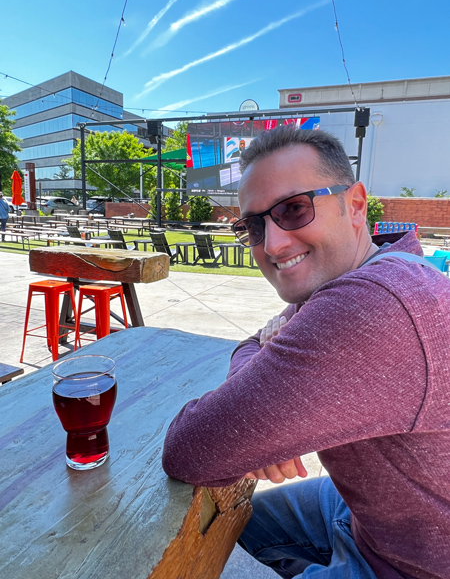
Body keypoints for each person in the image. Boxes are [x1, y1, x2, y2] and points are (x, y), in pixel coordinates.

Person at [162, 126, 450, 578]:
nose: (272, 244)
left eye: (294, 209)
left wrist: (255, 410)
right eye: (253, 226)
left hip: (416, 565)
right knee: (232, 524)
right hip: (364, 517)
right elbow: (252, 343)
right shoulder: (386, 265)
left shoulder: (371, 304)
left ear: (354, 205)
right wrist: (263, 402)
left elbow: (189, 447)